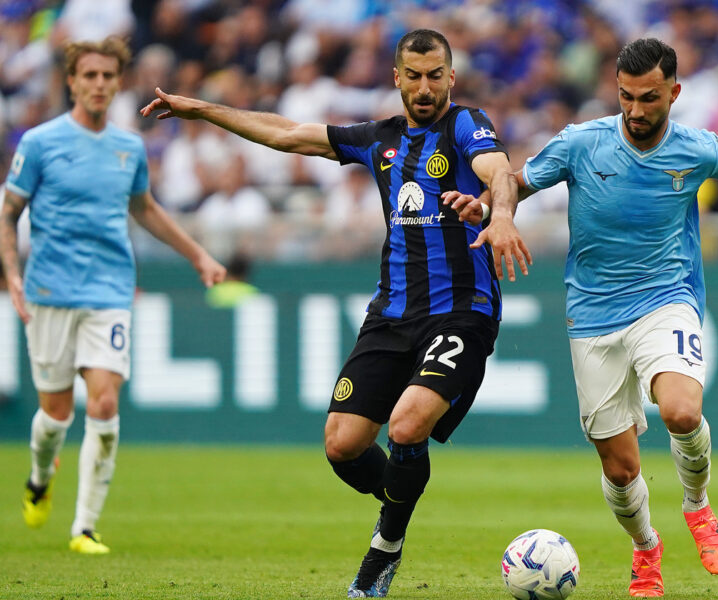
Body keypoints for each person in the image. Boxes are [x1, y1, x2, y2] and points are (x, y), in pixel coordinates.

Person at [447, 38, 718, 598]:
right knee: (619, 469)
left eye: (650, 98)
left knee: (682, 412)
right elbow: (516, 181)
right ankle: (645, 549)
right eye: (627, 97)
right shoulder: (582, 142)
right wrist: (495, 209)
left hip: (668, 297)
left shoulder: (695, 148)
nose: (636, 111)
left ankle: (698, 506)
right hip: (591, 315)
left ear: (674, 93)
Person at [141, 28, 526, 598]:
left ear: (451, 76)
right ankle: (403, 488)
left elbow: (497, 169)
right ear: (397, 78)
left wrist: (501, 215)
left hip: (461, 312)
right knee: (342, 445)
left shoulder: (467, 125)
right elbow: (288, 134)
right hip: (391, 313)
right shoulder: (378, 139)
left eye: (435, 75)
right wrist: (201, 110)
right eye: (414, 76)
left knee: (406, 423)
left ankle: (384, 550)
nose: (425, 87)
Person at [2, 36, 226, 555]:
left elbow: (145, 209)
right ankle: (39, 477)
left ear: (117, 82)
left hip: (109, 290)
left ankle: (84, 527)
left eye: (108, 76)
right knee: (54, 417)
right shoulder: (39, 143)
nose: (100, 84)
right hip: (50, 291)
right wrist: (12, 274)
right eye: (90, 76)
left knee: (103, 401)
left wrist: (198, 256)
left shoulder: (129, 147)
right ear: (72, 81)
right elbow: (9, 214)